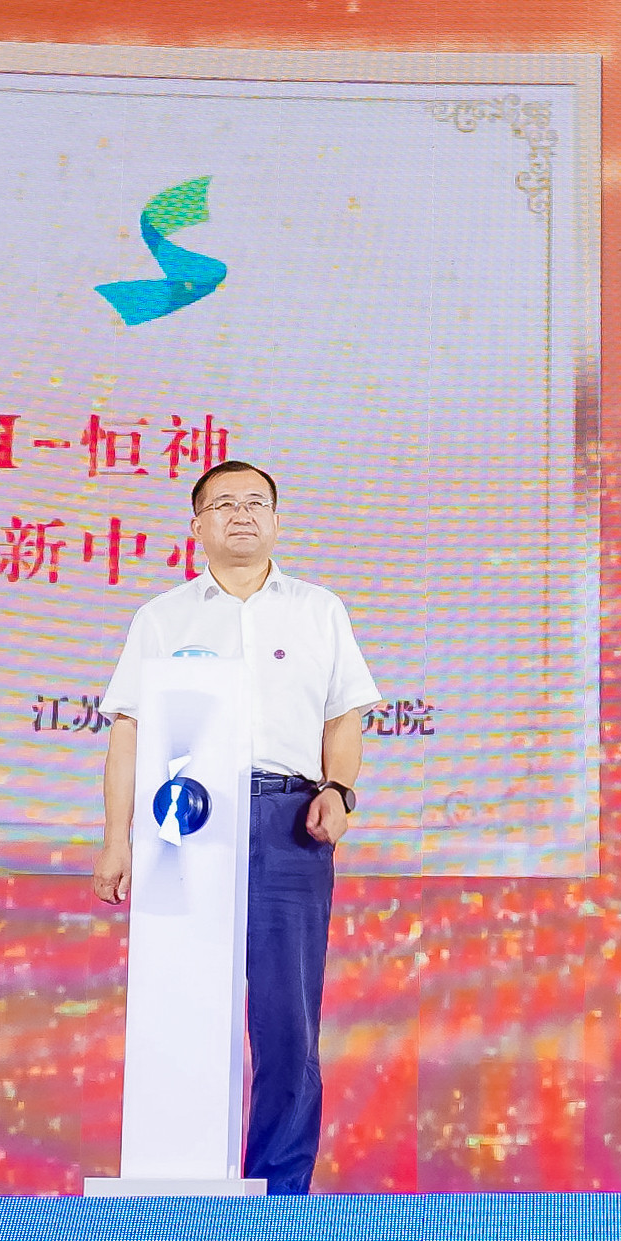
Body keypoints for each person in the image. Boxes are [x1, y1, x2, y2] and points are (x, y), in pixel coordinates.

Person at [94, 460, 380, 1195]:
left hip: (289, 819)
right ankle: (181, 1181)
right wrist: (118, 837)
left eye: (256, 502)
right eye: (224, 504)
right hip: (184, 822)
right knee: (183, 1002)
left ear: (277, 521)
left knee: (287, 1017)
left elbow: (344, 713)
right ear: (197, 526)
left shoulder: (318, 609)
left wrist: (339, 790)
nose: (242, 514)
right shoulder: (163, 617)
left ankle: (279, 1194)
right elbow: (128, 730)